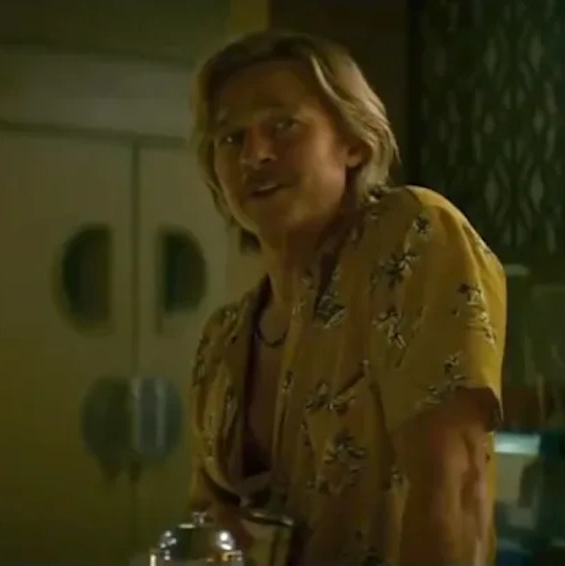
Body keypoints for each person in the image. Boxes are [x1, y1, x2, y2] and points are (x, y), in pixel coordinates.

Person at [186, 29, 507, 566]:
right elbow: (205, 520)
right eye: (231, 139)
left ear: (353, 143)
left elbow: (454, 488)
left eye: (283, 126)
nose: (255, 154)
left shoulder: (411, 240)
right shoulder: (222, 340)